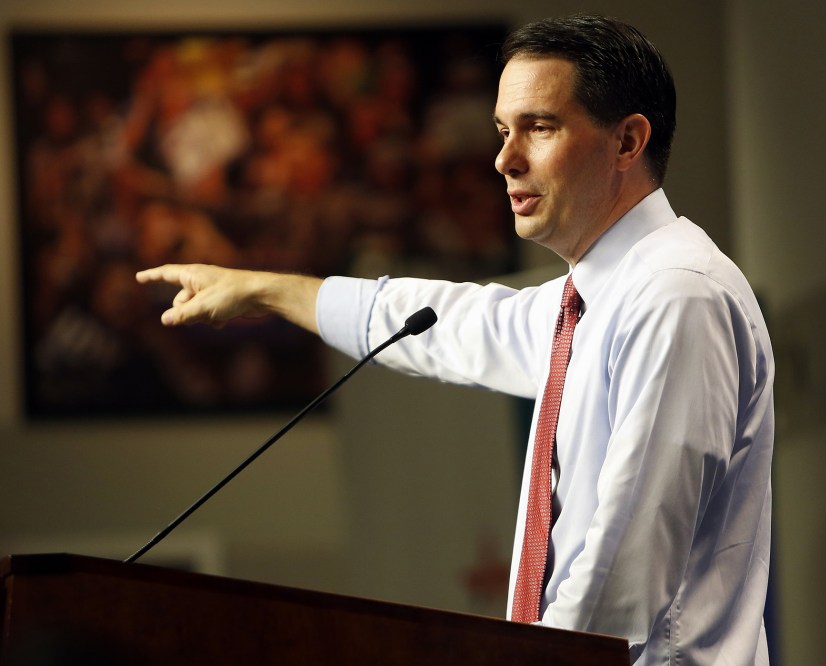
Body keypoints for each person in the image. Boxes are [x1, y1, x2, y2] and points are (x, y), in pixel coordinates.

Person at [136, 15, 774, 665]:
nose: (504, 159)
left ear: (627, 141)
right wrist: (264, 290)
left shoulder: (676, 294)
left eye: (539, 127)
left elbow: (626, 563)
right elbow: (442, 321)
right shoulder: (589, 302)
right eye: (503, 131)